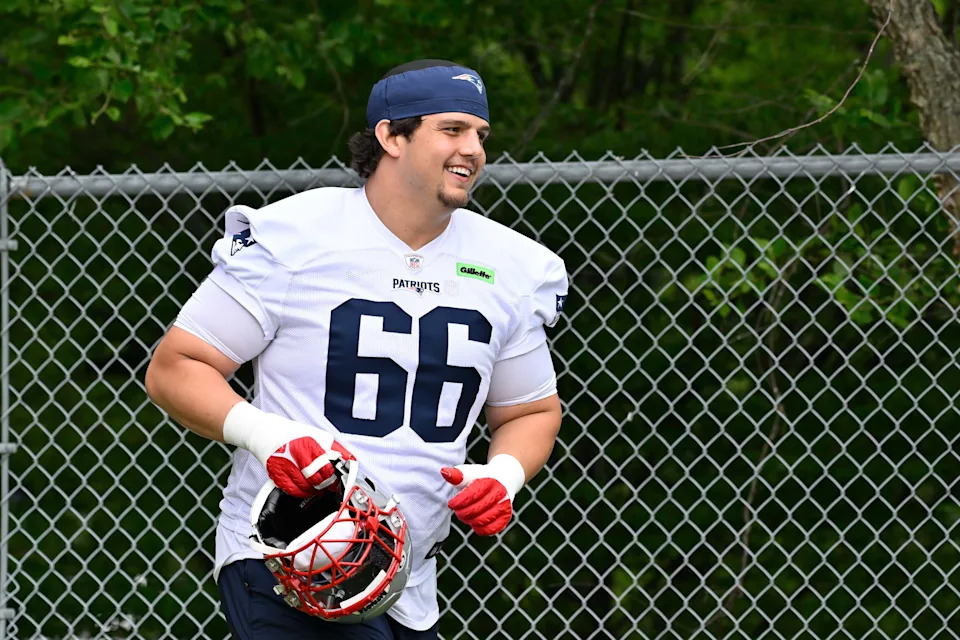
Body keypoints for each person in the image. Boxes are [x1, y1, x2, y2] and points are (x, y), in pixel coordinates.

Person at [144, 58, 568, 640]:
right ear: (390, 136)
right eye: (452, 130)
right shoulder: (296, 235)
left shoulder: (511, 266)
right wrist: (268, 438)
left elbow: (530, 411)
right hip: (290, 557)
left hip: (410, 579)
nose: (473, 149)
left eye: (481, 134)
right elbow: (176, 367)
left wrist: (504, 473)